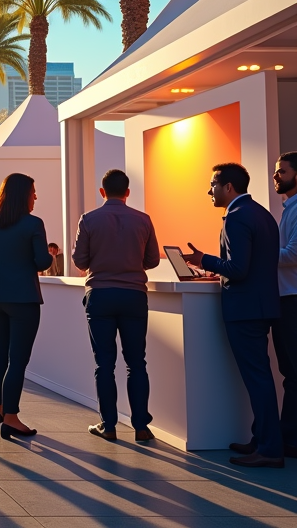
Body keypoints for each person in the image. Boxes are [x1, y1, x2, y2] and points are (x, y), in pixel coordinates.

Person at [183, 162, 284, 468]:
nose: (209, 191)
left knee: (258, 379)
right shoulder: (262, 214)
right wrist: (218, 271)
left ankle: (268, 449)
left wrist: (205, 260)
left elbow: (239, 269)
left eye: (213, 185)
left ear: (229, 187)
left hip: (244, 310)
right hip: (262, 306)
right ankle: (261, 439)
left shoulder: (236, 218)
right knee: (261, 377)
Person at [71, 169, 159, 444]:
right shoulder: (143, 219)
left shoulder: (89, 219)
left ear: (102, 191)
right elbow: (153, 260)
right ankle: (141, 426)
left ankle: (108, 425)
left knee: (104, 364)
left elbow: (80, 261)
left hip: (100, 295)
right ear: (128, 192)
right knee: (137, 363)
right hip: (134, 295)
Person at [0, 173, 52, 440]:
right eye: (33, 191)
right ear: (23, 195)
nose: (35, 196)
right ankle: (11, 417)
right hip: (23, 298)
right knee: (18, 360)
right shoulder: (34, 224)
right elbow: (43, 262)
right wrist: (47, 254)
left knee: (1, 355)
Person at [273, 152, 297, 459]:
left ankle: (290, 439)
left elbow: (292, 254)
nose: (276, 176)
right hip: (286, 298)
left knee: (293, 372)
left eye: (282, 171)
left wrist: (256, 255)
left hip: (292, 298)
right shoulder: (287, 208)